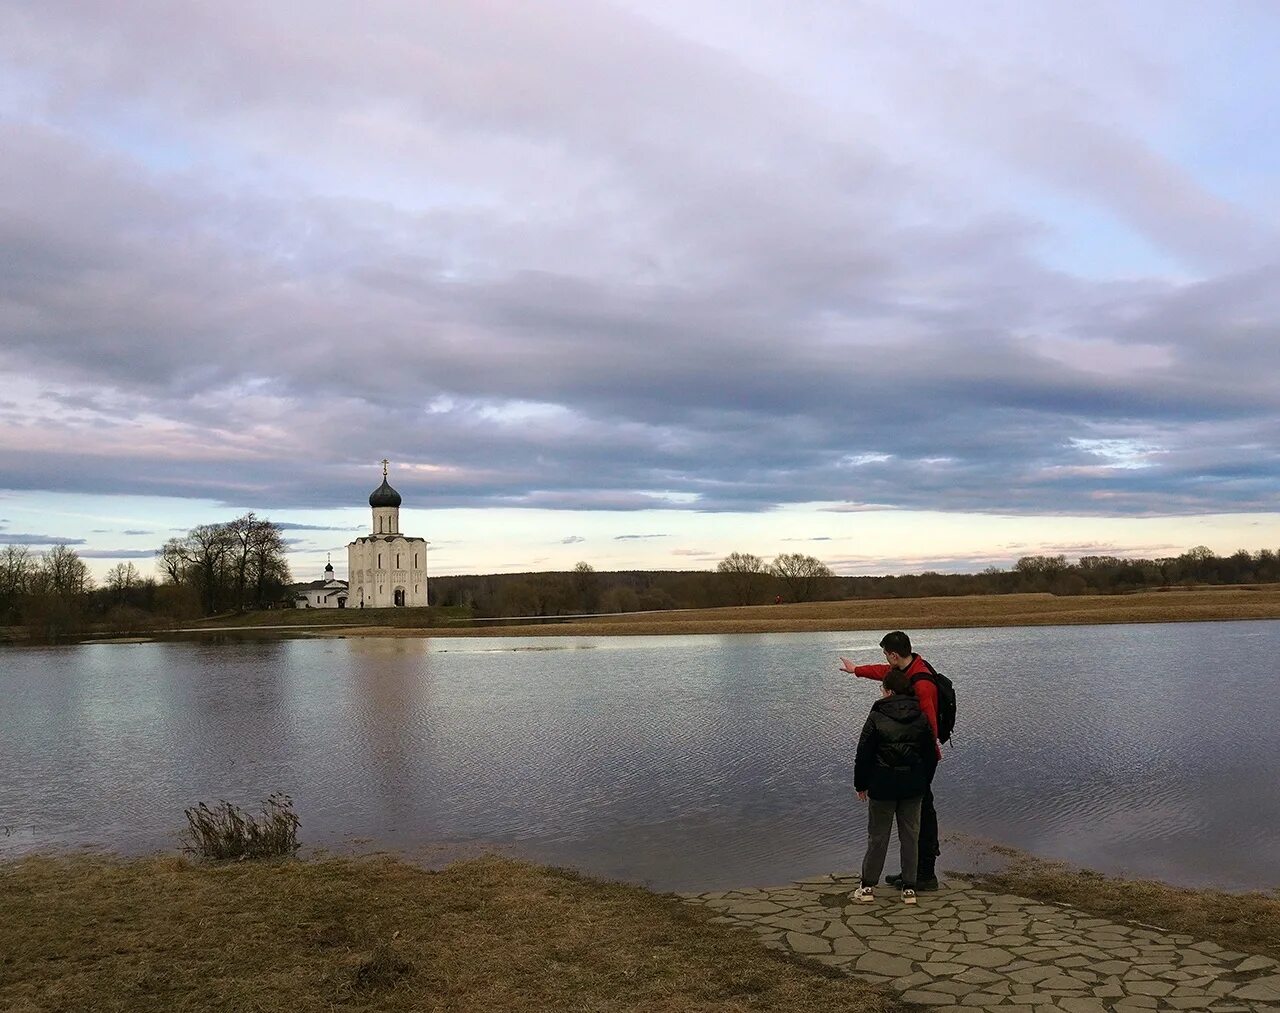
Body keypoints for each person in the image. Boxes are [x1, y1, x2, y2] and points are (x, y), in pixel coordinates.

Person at [840, 630, 943, 890]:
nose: (885, 660)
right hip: (913, 761)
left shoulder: (922, 684)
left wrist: (927, 764)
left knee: (923, 819)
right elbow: (884, 674)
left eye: (886, 655)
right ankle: (912, 873)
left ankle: (925, 874)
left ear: (895, 655)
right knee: (913, 820)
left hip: (921, 761)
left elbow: (929, 728)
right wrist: (857, 670)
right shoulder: (907, 670)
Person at [851, 668, 936, 905]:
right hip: (913, 787)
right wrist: (923, 781)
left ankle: (867, 887)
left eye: (882, 688)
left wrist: (861, 784)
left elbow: (863, 754)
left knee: (878, 837)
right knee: (911, 836)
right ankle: (909, 888)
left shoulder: (876, 716)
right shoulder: (920, 715)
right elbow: (930, 755)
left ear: (888, 691)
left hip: (882, 786)